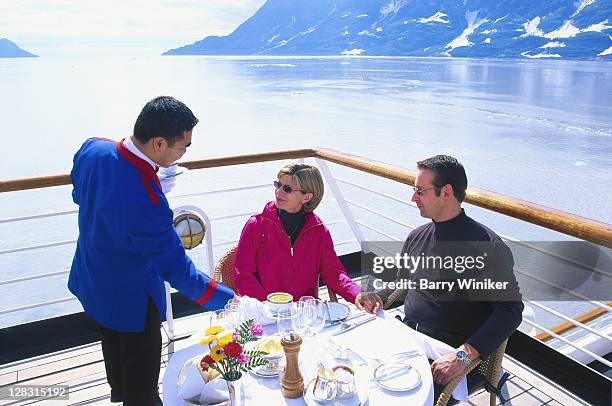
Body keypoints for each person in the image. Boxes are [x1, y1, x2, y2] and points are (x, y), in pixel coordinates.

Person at [68, 96, 234, 405]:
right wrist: (229, 301)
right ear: (159, 143)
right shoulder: (148, 200)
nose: (184, 152)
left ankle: (120, 391)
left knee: (113, 346)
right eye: (183, 146)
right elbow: (176, 270)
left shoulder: (93, 148)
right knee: (142, 385)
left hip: (92, 278)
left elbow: (79, 193)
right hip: (130, 297)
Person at [377, 155, 523, 401]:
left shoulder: (485, 246)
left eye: (420, 191)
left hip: (447, 358)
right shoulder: (417, 236)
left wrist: (462, 357)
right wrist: (376, 297)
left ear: (446, 192)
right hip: (406, 341)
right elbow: (403, 282)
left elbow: (510, 310)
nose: (413, 198)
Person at [234, 163, 383, 313]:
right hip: (264, 312)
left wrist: (357, 293)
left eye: (287, 188)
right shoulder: (256, 225)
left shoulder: (319, 232)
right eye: (278, 185)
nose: (278, 192)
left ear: (306, 197)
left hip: (304, 314)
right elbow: (243, 275)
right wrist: (266, 306)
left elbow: (333, 273)